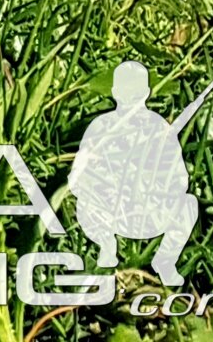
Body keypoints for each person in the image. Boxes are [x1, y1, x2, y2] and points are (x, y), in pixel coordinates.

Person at [69, 60, 200, 284]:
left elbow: (180, 180)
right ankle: (107, 251)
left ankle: (165, 262)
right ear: (115, 92)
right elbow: (77, 177)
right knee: (82, 205)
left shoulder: (159, 129)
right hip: (108, 210)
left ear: (146, 93)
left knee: (188, 204)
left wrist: (154, 183)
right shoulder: (101, 126)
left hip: (150, 211)